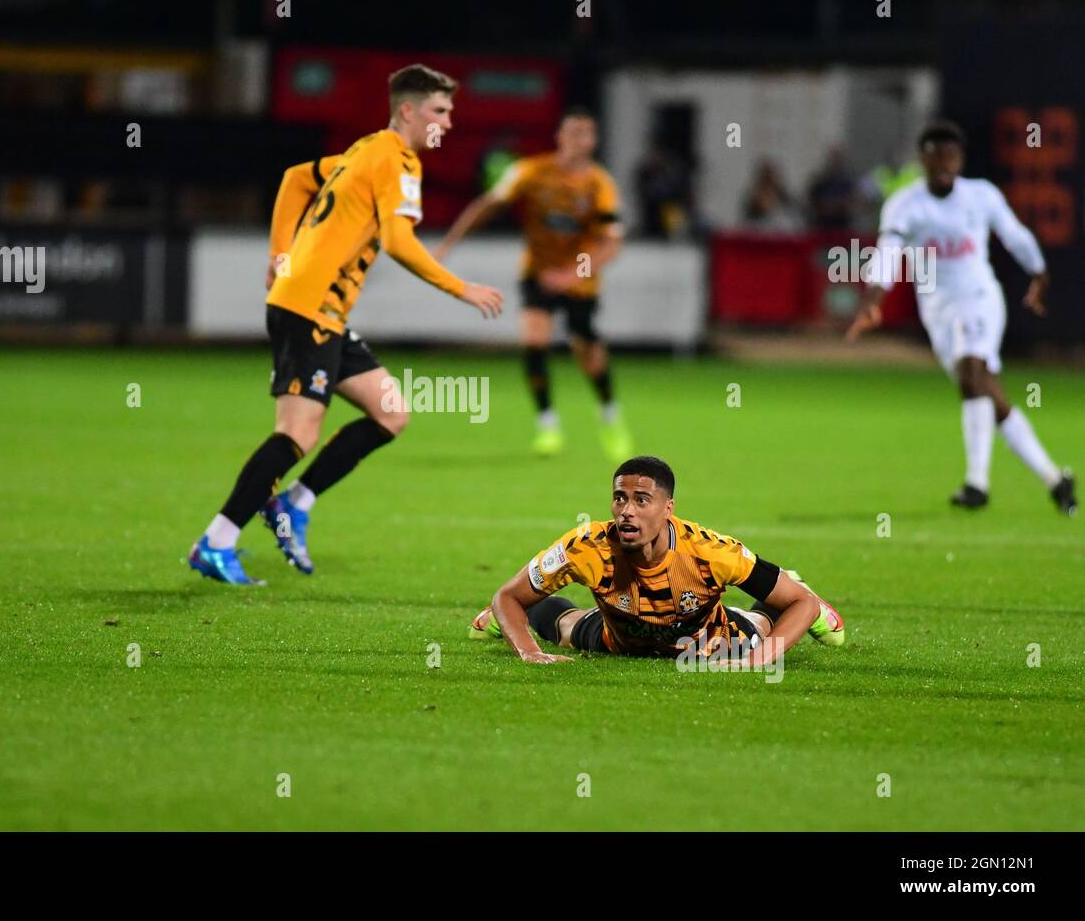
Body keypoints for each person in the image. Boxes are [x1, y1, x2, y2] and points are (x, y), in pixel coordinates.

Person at [189, 64, 504, 585]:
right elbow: (399, 241)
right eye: (439, 111)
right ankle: (217, 541)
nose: (447, 123)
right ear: (408, 110)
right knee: (297, 432)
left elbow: (294, 179)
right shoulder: (398, 159)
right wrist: (461, 288)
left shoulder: (366, 151)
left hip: (322, 312)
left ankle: (295, 501)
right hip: (308, 310)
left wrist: (280, 254)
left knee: (390, 412)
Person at [847, 120, 1076, 515]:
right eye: (935, 156)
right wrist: (874, 296)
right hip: (938, 310)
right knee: (988, 394)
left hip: (980, 298)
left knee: (973, 372)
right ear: (924, 160)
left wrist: (1038, 272)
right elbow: (888, 253)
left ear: (960, 159)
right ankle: (1055, 479)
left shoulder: (980, 195)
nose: (943, 164)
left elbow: (1014, 234)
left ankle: (977, 484)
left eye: (950, 156)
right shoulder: (905, 203)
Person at [470, 456, 845, 665]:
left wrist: (757, 661)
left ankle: (782, 587)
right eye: (619, 499)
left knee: (764, 622)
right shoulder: (587, 547)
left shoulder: (709, 551)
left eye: (641, 501)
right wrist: (529, 651)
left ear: (668, 509)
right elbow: (507, 595)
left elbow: (801, 604)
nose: (626, 512)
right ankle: (506, 623)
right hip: (619, 639)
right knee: (564, 627)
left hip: (710, 641)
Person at [435, 109, 631, 460]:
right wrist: (449, 243)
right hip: (538, 271)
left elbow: (611, 244)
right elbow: (487, 205)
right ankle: (548, 424)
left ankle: (609, 414)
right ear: (559, 137)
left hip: (580, 276)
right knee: (534, 339)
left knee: (586, 347)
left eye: (587, 134)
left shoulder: (600, 184)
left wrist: (572, 275)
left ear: (594, 141)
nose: (579, 140)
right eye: (573, 132)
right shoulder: (531, 171)